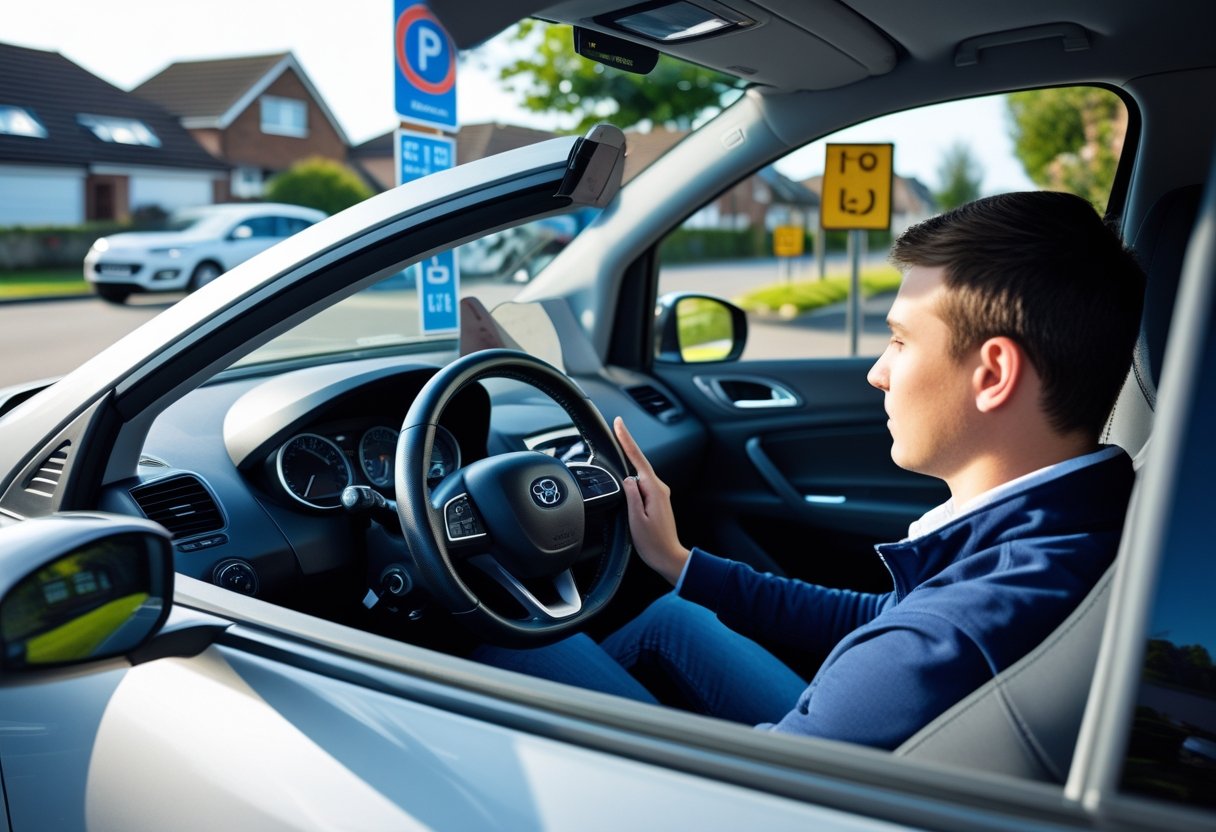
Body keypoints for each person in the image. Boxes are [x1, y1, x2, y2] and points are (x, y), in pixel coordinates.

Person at [476, 190, 1147, 749]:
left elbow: (762, 802)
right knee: (676, 619)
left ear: (993, 373)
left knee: (502, 648)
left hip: (779, 789)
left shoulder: (939, 644)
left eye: (900, 340)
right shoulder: (1076, 524)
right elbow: (884, 615)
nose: (877, 372)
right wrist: (680, 563)